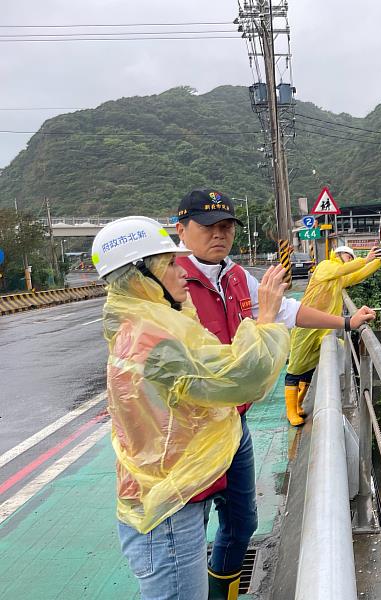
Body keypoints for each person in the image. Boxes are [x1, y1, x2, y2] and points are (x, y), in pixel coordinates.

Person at [173, 189, 375, 598]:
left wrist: (346, 321)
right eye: (208, 226)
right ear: (181, 228)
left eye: (227, 226)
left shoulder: (234, 275)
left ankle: (222, 594)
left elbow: (289, 311)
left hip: (235, 423)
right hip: (187, 432)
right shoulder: (170, 279)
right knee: (188, 533)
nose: (220, 234)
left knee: (242, 523)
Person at [92, 216, 290, 600]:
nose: (181, 271)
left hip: (174, 492)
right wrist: (265, 319)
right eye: (169, 264)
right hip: (166, 509)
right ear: (139, 277)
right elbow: (240, 378)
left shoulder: (152, 323)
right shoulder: (153, 339)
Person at [285, 244, 381, 426]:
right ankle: (290, 410)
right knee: (296, 366)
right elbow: (345, 269)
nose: (351, 260)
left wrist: (377, 262)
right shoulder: (326, 266)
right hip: (306, 324)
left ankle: (298, 404)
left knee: (309, 366)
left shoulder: (337, 278)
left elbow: (356, 275)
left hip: (322, 326)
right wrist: (366, 259)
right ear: (339, 254)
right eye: (349, 256)